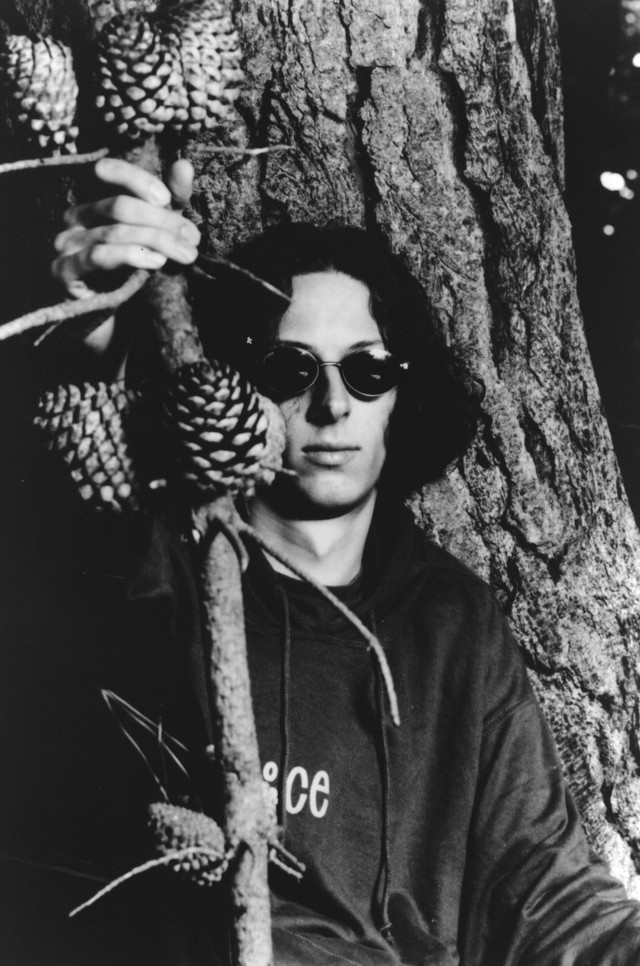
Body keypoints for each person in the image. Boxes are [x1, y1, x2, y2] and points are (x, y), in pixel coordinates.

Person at [5, 155, 640, 965]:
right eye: (290, 369)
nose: (333, 405)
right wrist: (86, 336)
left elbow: (546, 893)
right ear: (234, 385)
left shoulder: (452, 623)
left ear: (401, 394)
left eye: (368, 371)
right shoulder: (156, 570)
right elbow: (71, 521)